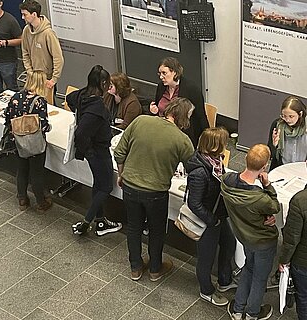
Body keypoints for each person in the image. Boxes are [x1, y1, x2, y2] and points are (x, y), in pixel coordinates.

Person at [114, 97, 194, 282]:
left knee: (133, 227)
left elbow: (119, 152)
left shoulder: (141, 120)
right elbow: (193, 168)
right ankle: (155, 269)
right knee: (157, 230)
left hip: (130, 186)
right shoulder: (182, 140)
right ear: (184, 118)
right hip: (156, 193)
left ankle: (135, 267)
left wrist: (121, 174)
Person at [221, 144, 280, 320]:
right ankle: (253, 313)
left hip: (244, 235)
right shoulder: (259, 198)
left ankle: (238, 308)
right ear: (264, 166)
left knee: (248, 267)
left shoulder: (227, 180)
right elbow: (274, 205)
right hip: (263, 241)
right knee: (260, 277)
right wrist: (268, 185)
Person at [66, 65, 122, 237]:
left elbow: (69, 98)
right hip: (98, 151)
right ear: (103, 83)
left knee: (98, 183)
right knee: (105, 186)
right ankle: (87, 221)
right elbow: (81, 132)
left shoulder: (82, 95)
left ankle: (101, 221)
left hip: (93, 150)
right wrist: (86, 148)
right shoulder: (96, 108)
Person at [186, 127, 236, 306]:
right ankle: (206, 290)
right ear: (215, 146)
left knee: (229, 244)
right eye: (224, 143)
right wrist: (212, 220)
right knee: (206, 258)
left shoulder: (215, 162)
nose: (227, 146)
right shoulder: (200, 172)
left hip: (218, 216)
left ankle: (224, 280)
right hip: (208, 220)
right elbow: (194, 203)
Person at [4, 72, 52, 213]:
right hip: (34, 144)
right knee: (36, 173)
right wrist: (49, 128)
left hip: (18, 142)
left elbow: (7, 117)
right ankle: (41, 202)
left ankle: (22, 199)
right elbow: (43, 125)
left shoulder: (16, 97)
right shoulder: (39, 101)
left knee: (22, 170)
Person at [150, 57, 209, 147]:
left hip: (182, 134)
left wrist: (208, 139)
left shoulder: (191, 89)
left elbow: (201, 116)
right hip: (162, 130)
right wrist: (154, 111)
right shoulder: (161, 86)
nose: (161, 77)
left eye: (164, 73)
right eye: (160, 73)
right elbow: (159, 108)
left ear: (175, 72)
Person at [19, 0, 64, 103]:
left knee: (48, 104)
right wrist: (29, 71)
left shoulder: (48, 33)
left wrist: (53, 79)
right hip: (33, 76)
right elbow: (25, 52)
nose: (22, 17)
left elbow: (58, 58)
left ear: (34, 14)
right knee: (33, 103)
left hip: (47, 78)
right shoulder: (26, 30)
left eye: (24, 15)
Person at [279, 185, 307, 320]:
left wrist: (284, 260)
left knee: (303, 296)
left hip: (303, 262)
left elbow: (291, 240)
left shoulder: (300, 200)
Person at [0, 0, 22, 95]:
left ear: (0, 4)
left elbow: (21, 39)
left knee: (11, 90)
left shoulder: (10, 20)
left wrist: (5, 42)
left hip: (7, 61)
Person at [268, 96, 307, 170]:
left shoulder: (305, 128)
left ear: (300, 114)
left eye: (291, 116)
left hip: (303, 169)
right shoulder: (277, 125)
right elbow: (270, 155)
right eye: (284, 116)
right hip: (282, 167)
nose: (287, 120)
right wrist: (274, 145)